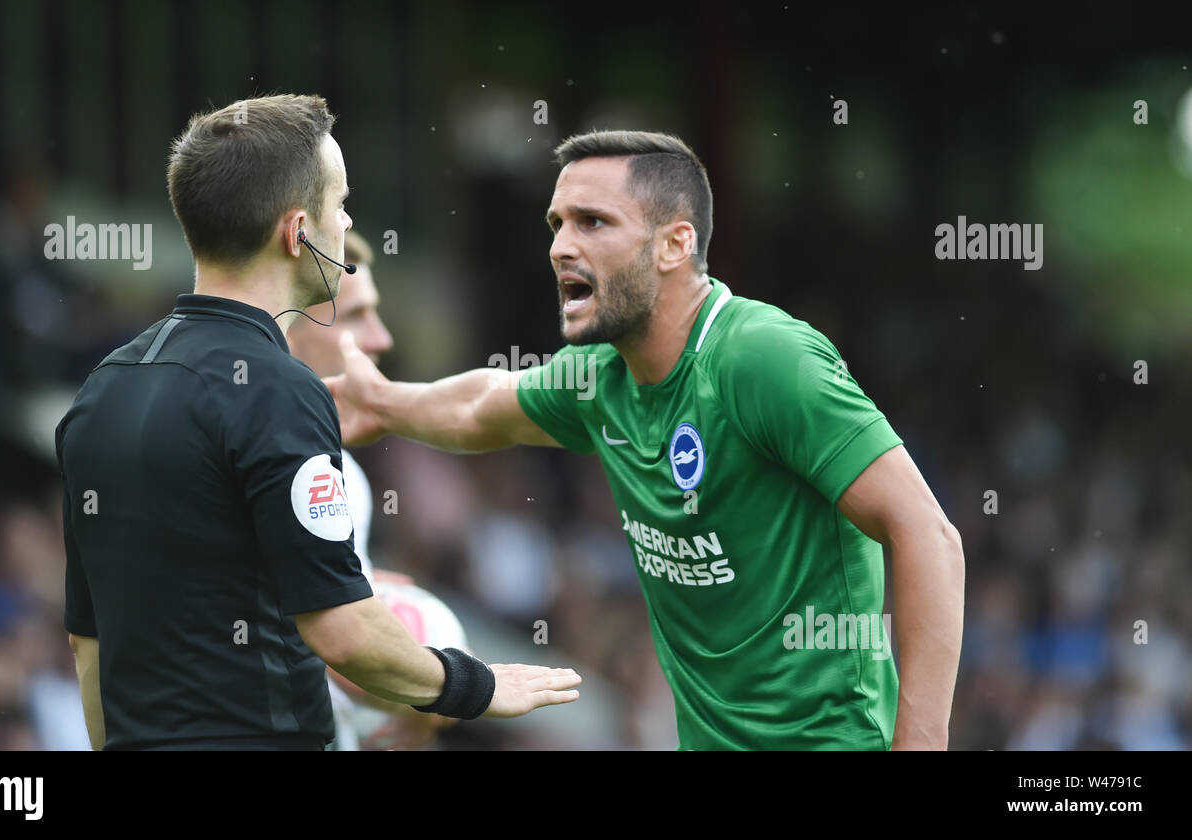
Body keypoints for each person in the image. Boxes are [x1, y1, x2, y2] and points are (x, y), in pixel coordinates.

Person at [326, 130, 965, 750]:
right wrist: (381, 403)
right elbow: (480, 406)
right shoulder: (603, 377)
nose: (560, 247)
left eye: (593, 222)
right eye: (557, 225)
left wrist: (922, 743)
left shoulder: (761, 357)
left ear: (673, 245)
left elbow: (929, 535)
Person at [56, 94, 580, 750]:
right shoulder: (279, 389)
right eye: (340, 203)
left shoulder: (101, 391)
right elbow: (344, 633)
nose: (348, 221)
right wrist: (477, 685)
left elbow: (88, 640)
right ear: (298, 231)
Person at [287, 229, 454, 750]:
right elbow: (334, 644)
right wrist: (433, 689)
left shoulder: (345, 473)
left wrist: (355, 586)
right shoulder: (267, 461)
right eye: (358, 315)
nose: (381, 339)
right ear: (290, 326)